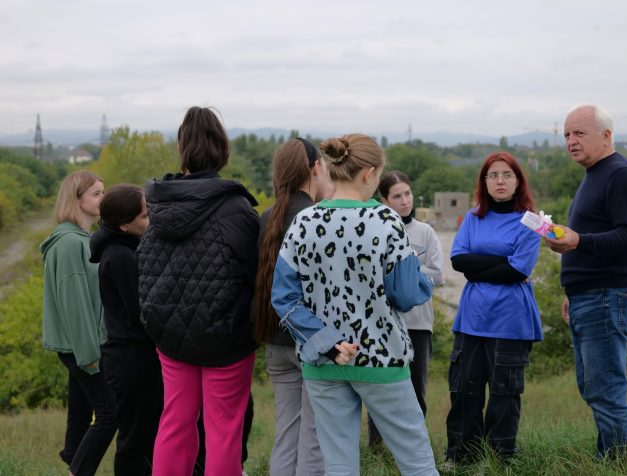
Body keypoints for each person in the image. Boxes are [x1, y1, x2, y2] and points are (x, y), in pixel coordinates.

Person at [272, 133, 439, 475]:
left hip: (324, 362)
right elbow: (408, 295)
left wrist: (326, 342)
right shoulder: (387, 221)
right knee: (416, 461)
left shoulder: (304, 222)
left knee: (339, 465)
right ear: (369, 174)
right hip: (382, 358)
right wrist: (420, 278)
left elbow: (285, 299)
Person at [138, 106, 259, 476]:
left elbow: (143, 268)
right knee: (224, 429)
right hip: (226, 337)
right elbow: (256, 274)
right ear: (222, 148)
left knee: (175, 422)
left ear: (181, 148)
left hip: (171, 336)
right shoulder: (236, 209)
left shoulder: (158, 206)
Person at [544, 104, 627, 459]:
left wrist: (578, 242)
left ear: (606, 136)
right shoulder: (595, 174)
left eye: (579, 133)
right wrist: (573, 289)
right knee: (593, 387)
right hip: (589, 295)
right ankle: (609, 457)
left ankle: (617, 464)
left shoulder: (620, 174)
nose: (570, 141)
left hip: (607, 296)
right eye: (567, 134)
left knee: (606, 389)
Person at [445, 152, 542, 465]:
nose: (500, 181)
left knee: (504, 396)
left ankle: (500, 461)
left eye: (507, 175)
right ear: (484, 182)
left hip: (511, 321)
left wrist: (481, 266)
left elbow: (518, 270)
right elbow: (459, 260)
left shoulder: (531, 222)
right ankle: (462, 458)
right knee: (464, 394)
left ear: (518, 181)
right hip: (472, 319)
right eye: (493, 175)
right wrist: (503, 262)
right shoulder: (474, 217)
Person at [253, 138, 333, 475]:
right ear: (315, 168)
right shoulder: (316, 218)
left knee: (287, 433)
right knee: (314, 437)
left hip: (275, 339)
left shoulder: (268, 216)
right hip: (310, 340)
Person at [41, 171, 116, 476]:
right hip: (82, 347)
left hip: (83, 344)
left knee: (81, 412)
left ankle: (73, 459)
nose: (103, 198)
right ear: (77, 199)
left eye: (103, 191)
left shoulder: (84, 239)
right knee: (110, 415)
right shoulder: (70, 244)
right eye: (96, 193)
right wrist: (91, 357)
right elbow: (75, 305)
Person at [89, 184, 162, 475]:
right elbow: (141, 311)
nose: (151, 219)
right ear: (123, 225)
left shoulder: (124, 248)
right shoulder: (120, 256)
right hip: (132, 361)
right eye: (145, 216)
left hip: (132, 358)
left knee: (144, 435)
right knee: (136, 440)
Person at [369, 170, 444, 446]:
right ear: (384, 200)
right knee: (380, 388)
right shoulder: (376, 230)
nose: (404, 201)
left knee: (415, 389)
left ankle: (414, 447)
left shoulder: (425, 232)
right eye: (397, 196)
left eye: (407, 193)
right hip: (383, 323)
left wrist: (405, 268)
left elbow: (438, 274)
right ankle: (377, 450)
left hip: (418, 324)